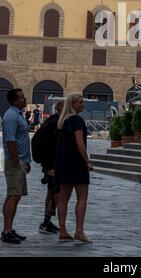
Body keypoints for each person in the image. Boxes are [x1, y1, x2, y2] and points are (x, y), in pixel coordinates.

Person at [55, 94, 94, 243]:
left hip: (64, 164)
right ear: (72, 104)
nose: (83, 104)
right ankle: (79, 231)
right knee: (82, 198)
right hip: (77, 163)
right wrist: (87, 161)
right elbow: (79, 142)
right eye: (80, 102)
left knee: (63, 197)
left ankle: (63, 230)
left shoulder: (62, 121)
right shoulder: (77, 120)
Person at [1, 89, 31, 245]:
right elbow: (10, 141)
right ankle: (7, 231)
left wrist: (26, 161)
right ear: (14, 101)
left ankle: (8, 229)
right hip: (15, 162)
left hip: (20, 161)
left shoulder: (18, 114)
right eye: (21, 97)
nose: (24, 98)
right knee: (14, 195)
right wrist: (16, 161)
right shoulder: (11, 116)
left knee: (14, 195)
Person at [39, 100, 64, 234]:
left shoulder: (54, 121)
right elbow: (49, 147)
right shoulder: (55, 123)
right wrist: (49, 166)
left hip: (53, 164)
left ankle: (46, 223)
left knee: (52, 192)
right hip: (53, 165)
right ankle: (46, 223)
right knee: (57, 193)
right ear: (61, 109)